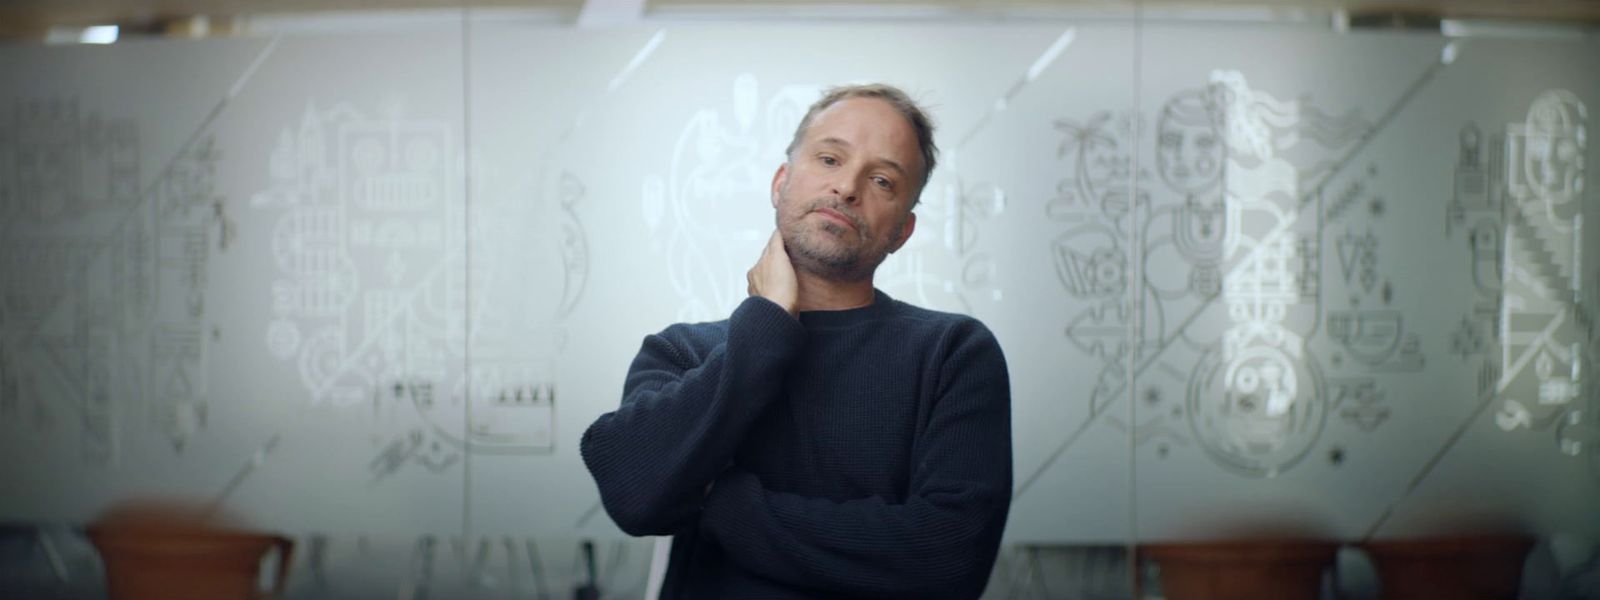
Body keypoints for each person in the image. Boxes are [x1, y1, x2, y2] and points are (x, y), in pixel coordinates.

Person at [581, 83, 1012, 599]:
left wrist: (721, 503)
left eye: (881, 180)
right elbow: (633, 494)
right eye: (830, 158)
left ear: (902, 232)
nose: (847, 188)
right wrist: (765, 325)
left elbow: (948, 561)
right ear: (780, 183)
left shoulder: (953, 354)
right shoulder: (681, 353)